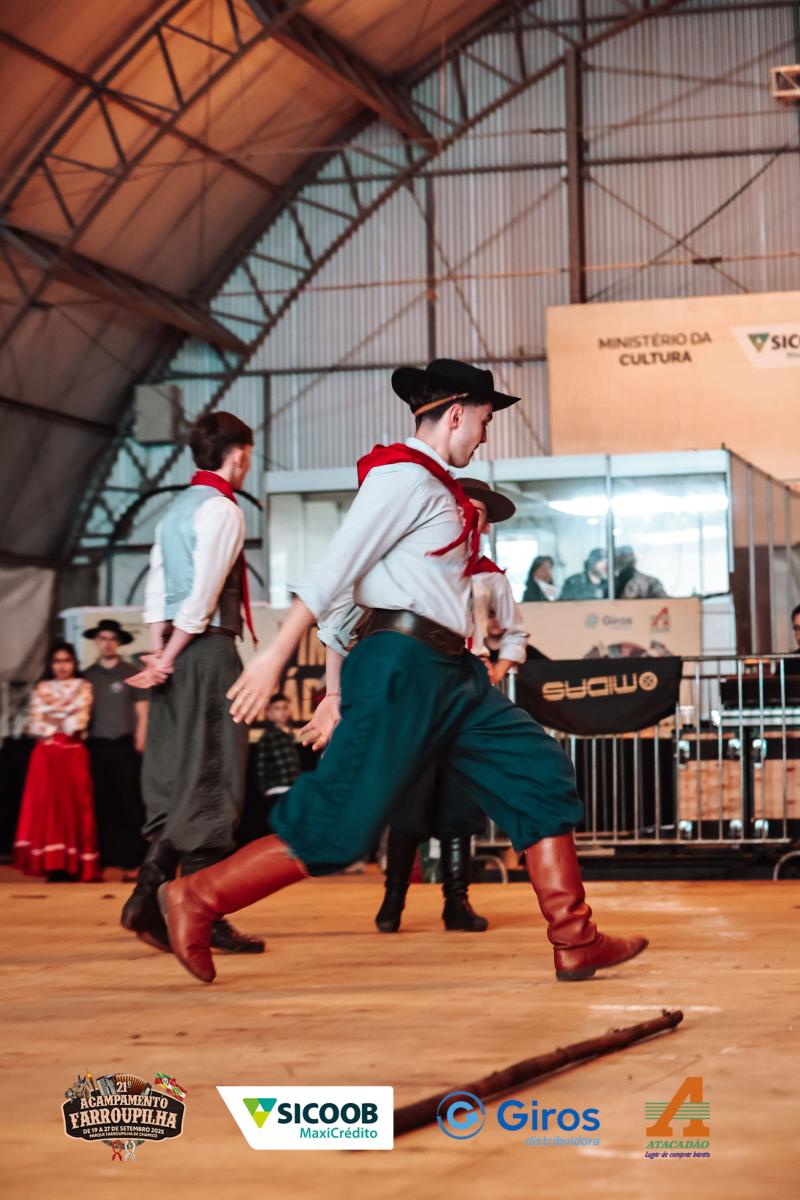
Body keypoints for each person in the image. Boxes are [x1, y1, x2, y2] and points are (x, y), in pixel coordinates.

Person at [156, 357, 648, 985]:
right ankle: (196, 897)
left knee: (540, 773)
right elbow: (336, 567)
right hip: (400, 665)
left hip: (453, 671)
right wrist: (279, 656)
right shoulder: (400, 477)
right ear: (456, 414)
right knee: (338, 824)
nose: (485, 436)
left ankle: (575, 940)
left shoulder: (438, 488)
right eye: (485, 421)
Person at [121, 411, 264, 956]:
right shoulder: (223, 509)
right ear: (240, 455)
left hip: (174, 656)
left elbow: (158, 591)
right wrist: (171, 653)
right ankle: (191, 911)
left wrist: (159, 652)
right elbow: (202, 599)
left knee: (178, 774)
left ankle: (155, 898)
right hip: (205, 653)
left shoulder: (175, 509)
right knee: (213, 776)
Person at [373, 476, 526, 934]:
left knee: (460, 796)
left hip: (468, 685)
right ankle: (392, 900)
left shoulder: (490, 575)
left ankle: (456, 902)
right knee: (411, 791)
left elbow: (515, 632)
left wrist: (495, 672)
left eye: (477, 514)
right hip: (420, 683)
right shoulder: (420, 563)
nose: (468, 519)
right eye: (462, 509)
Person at [13, 642, 101, 882]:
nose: (62, 666)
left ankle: (74, 864)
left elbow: (78, 722)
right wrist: (62, 717)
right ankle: (52, 864)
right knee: (47, 806)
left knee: (75, 805)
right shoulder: (42, 687)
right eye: (57, 661)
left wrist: (53, 716)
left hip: (72, 752)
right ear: (51, 665)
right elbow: (36, 724)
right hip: (46, 753)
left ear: (74, 663)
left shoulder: (83, 686)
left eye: (66, 661)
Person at [83, 619, 148, 877]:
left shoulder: (131, 672)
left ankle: (132, 863)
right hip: (95, 747)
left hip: (125, 747)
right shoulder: (86, 676)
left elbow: (143, 712)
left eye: (112, 639)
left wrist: (140, 740)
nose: (107, 643)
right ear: (96, 641)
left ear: (119, 642)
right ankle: (99, 864)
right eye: (102, 638)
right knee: (100, 805)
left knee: (129, 805)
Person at [255, 693, 302, 808]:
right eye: (277, 708)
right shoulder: (268, 737)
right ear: (268, 713)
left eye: (285, 708)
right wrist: (264, 788)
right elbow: (261, 766)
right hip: (276, 789)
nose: (282, 712)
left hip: (293, 788)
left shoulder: (290, 735)